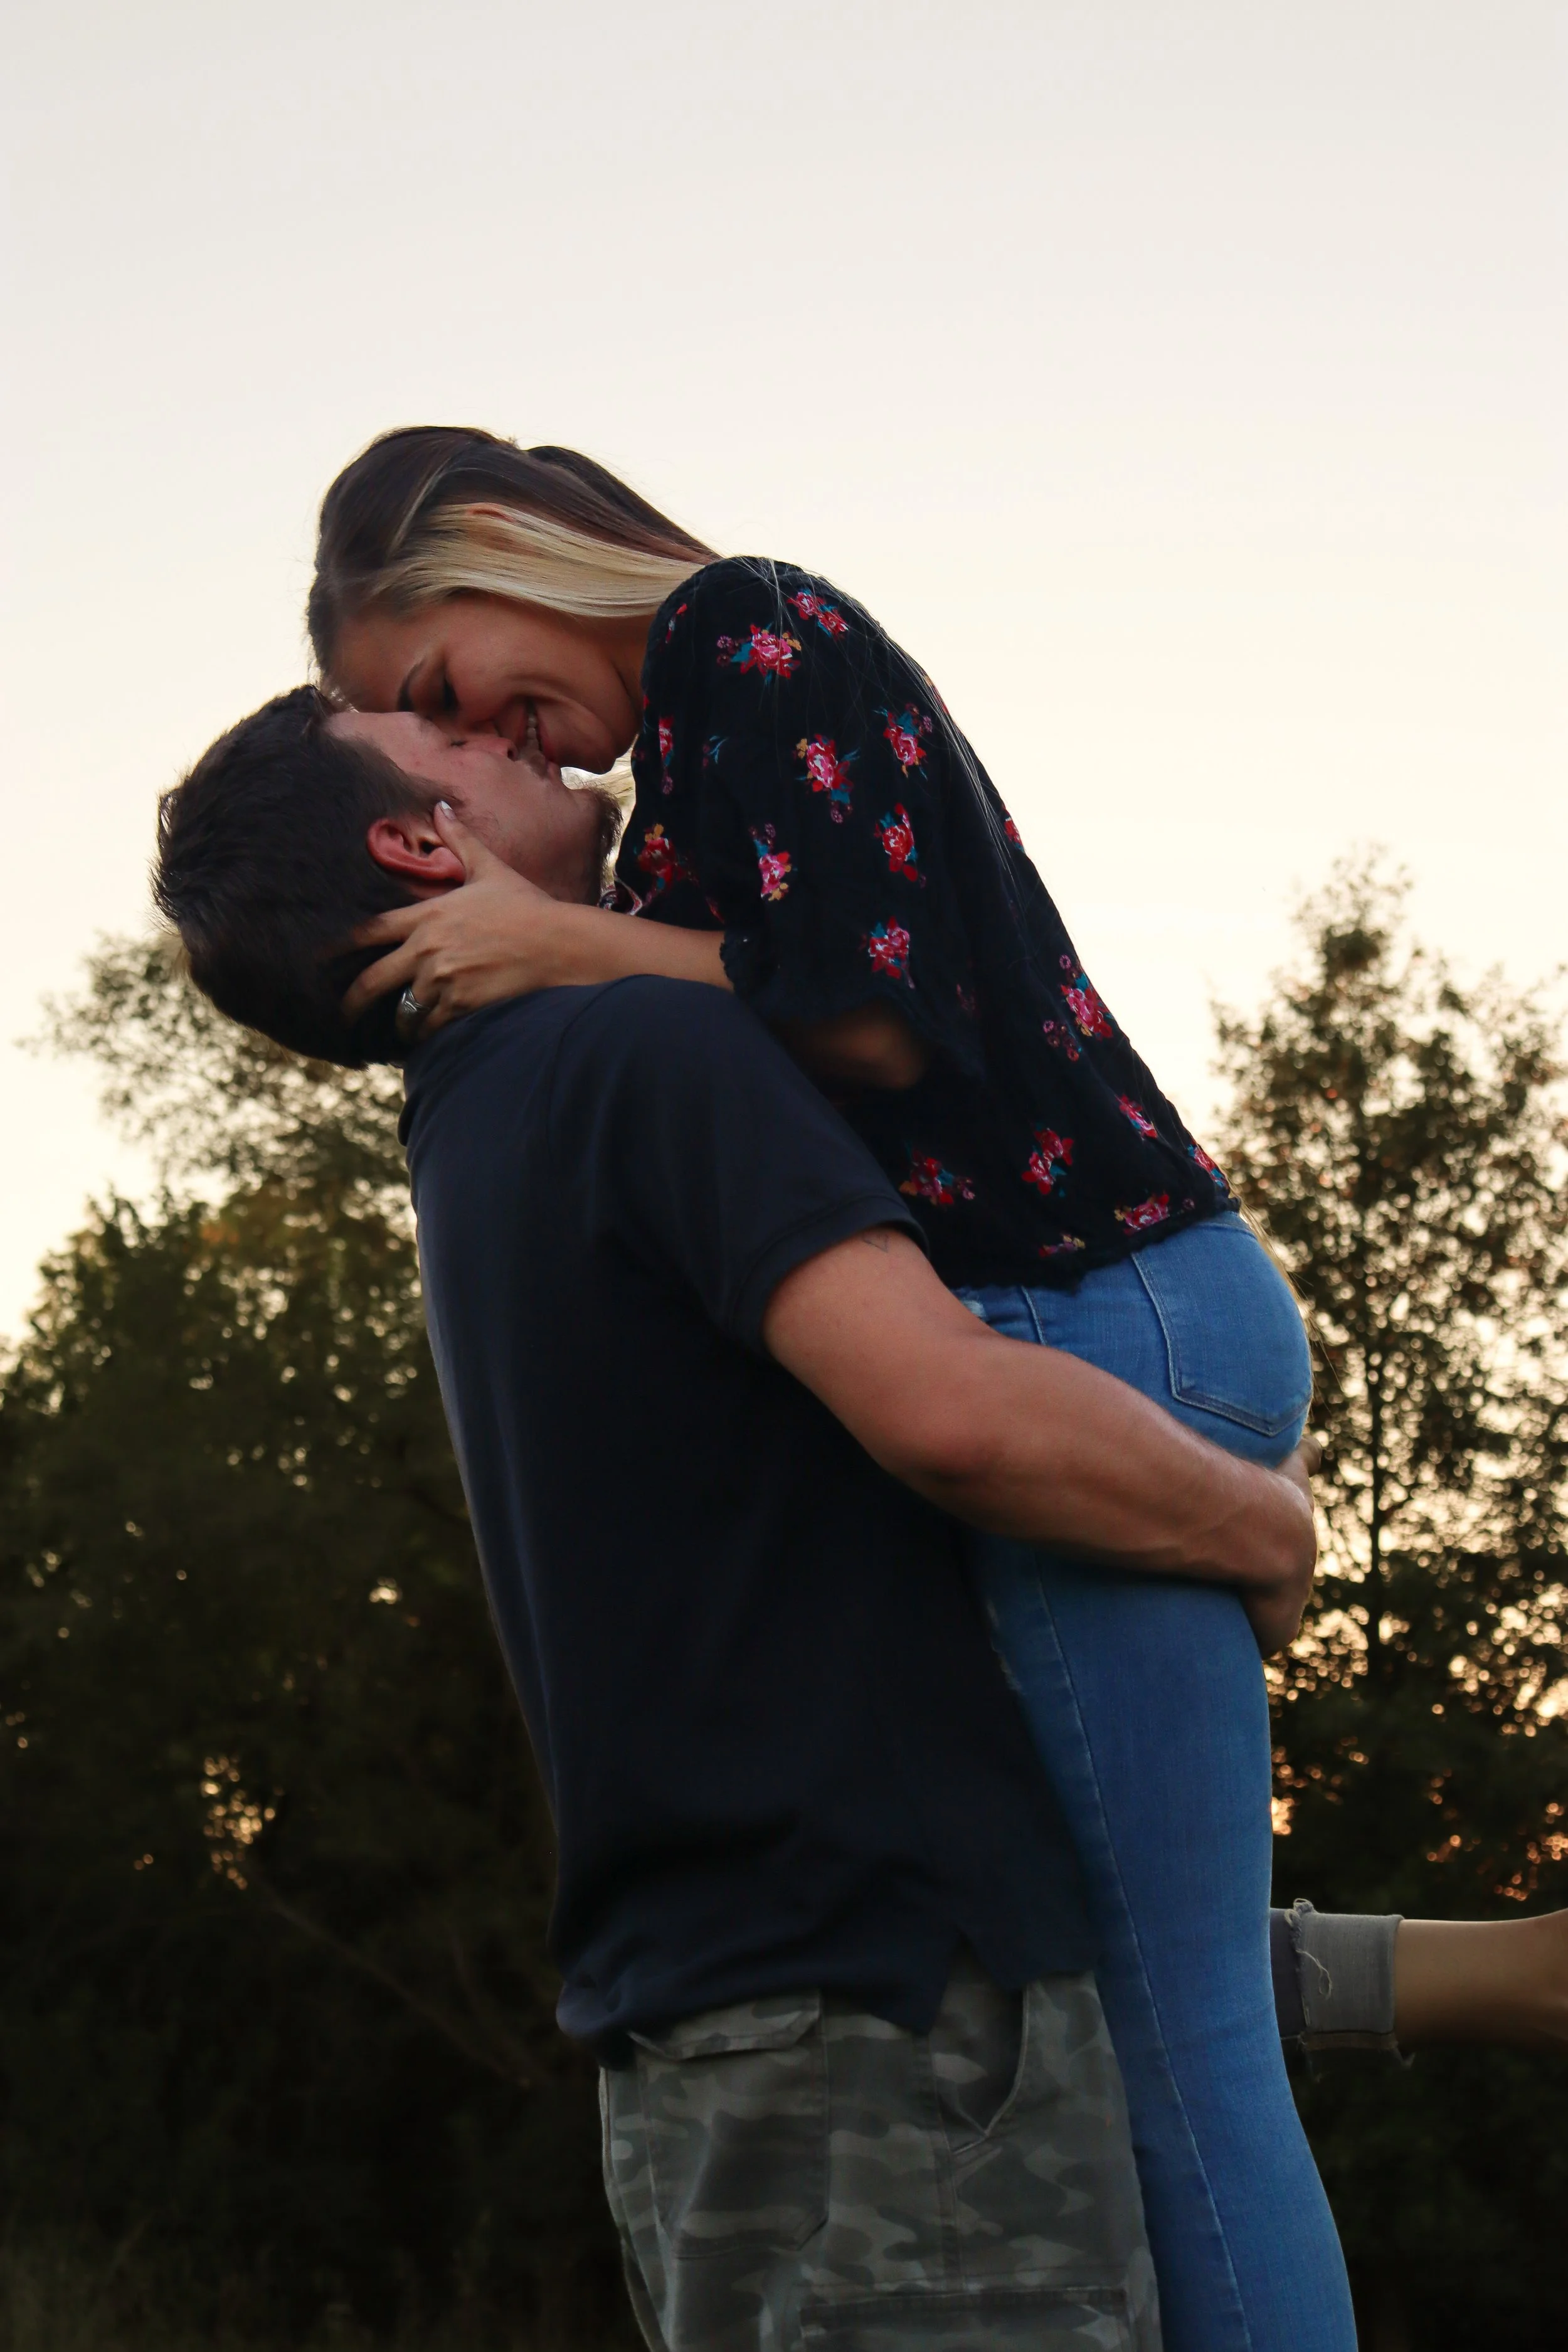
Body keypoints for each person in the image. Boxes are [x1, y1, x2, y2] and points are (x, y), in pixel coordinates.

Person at [305, 427, 1567, 2349]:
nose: (491, 736)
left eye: (439, 685)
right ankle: (1505, 1976)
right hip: (1072, 1307)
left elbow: (870, 1009)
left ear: (490, 550)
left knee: (1174, 2049)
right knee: (1090, 1958)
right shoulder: (678, 775)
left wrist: (558, 944)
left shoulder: (744, 630)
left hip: (1088, 1303)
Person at [154, 683, 1339, 2352]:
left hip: (703, 2051)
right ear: (422, 841)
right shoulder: (638, 1048)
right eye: (449, 737)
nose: (511, 734)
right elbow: (950, 1411)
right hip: (885, 2032)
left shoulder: (478, 1122)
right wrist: (1261, 1529)